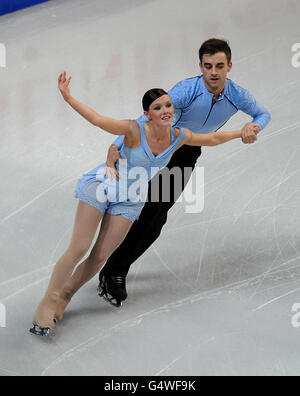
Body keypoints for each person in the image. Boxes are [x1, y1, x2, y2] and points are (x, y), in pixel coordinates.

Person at [30, 72, 246, 336]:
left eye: (168, 105)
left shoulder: (178, 136)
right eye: (158, 107)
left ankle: (65, 294)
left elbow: (211, 139)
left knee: (100, 255)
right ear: (147, 113)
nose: (165, 110)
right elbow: (98, 120)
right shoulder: (134, 130)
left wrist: (240, 133)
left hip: (131, 198)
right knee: (80, 247)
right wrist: (68, 97)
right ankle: (48, 300)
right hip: (104, 186)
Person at [97, 38, 271, 307]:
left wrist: (253, 127)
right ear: (200, 66)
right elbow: (144, 119)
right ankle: (110, 267)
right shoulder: (185, 91)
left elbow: (262, 114)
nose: (213, 72)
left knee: (155, 218)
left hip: (186, 154)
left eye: (219, 66)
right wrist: (115, 145)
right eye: (208, 65)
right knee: (136, 208)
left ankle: (114, 268)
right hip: (157, 147)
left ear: (229, 66)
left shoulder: (236, 94)